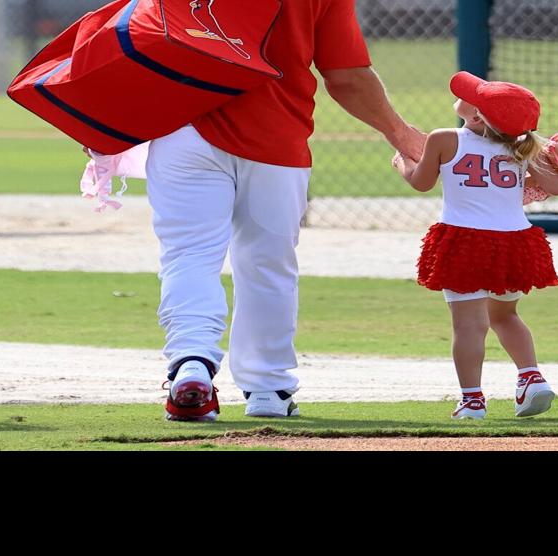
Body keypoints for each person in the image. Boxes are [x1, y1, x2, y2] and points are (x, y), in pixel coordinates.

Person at [148, 0, 425, 422]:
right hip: (274, 138)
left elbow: (132, 39)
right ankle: (268, 388)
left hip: (182, 133)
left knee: (188, 256)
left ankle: (192, 365)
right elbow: (347, 77)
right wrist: (401, 134)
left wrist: (104, 121)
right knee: (268, 264)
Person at [392, 72, 558, 419]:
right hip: (515, 240)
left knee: (469, 326)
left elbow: (421, 182)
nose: (462, 97)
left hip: (465, 240)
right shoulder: (519, 146)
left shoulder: (444, 138)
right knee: (506, 315)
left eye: (471, 97)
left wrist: (402, 161)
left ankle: (472, 401)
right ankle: (531, 377)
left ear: (475, 116)